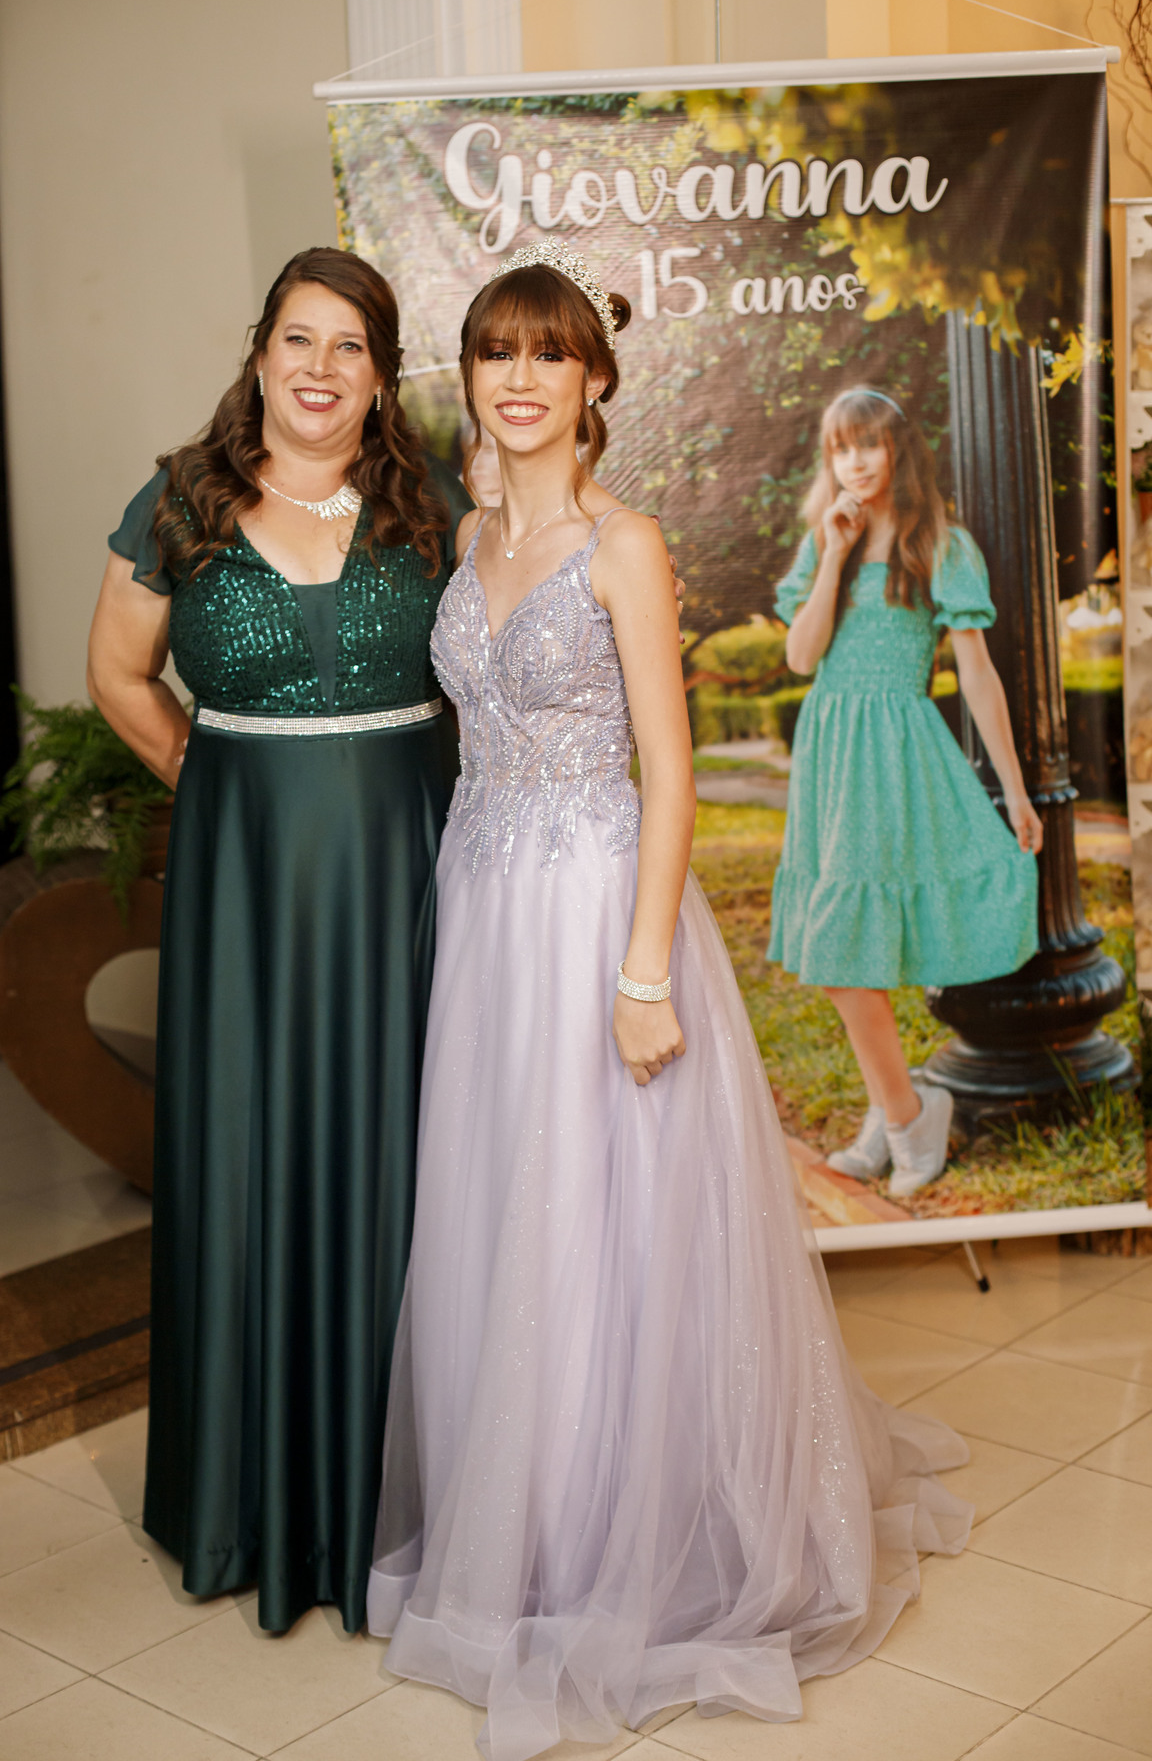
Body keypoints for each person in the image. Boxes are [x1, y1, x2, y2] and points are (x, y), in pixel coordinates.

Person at [366, 243, 972, 1761]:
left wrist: (645, 973)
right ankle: (520, 1527)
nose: (519, 379)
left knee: (604, 1215)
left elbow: (674, 770)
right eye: (497, 353)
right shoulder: (468, 532)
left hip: (595, 909)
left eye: (548, 355)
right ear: (472, 378)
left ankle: (618, 1543)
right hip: (484, 906)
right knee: (501, 1207)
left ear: (593, 381)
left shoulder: (625, 545)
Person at [87, 247, 472, 1633]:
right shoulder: (179, 499)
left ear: (381, 376)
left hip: (411, 872)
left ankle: (406, 1502)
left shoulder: (435, 501)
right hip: (245, 886)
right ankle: (248, 1501)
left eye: (350, 347)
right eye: (299, 340)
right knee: (249, 1151)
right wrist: (221, 780)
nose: (320, 368)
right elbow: (117, 673)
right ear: (260, 354)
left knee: (412, 1152)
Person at [768, 387, 1042, 1196]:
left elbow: (978, 676)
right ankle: (899, 1108)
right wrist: (832, 553)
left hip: (892, 752)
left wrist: (1015, 791)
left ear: (897, 450)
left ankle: (906, 1117)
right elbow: (801, 657)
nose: (854, 462)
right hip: (830, 751)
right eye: (840, 448)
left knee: (845, 950)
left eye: (868, 445)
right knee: (846, 949)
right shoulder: (826, 538)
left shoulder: (939, 544)